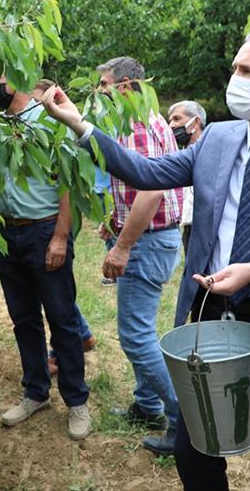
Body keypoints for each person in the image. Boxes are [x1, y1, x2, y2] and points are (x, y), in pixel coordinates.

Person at [41, 28, 250, 489]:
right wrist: (80, 125)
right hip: (207, 316)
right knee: (195, 454)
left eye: (248, 71)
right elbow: (145, 171)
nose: (236, 79)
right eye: (236, 69)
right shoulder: (218, 139)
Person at [0, 76, 91, 441]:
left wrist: (61, 236)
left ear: (17, 80)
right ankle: (35, 392)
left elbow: (68, 181)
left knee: (62, 318)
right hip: (9, 232)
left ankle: (77, 400)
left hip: (44, 230)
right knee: (23, 318)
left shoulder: (48, 120)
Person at [91, 57, 185, 445]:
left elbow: (150, 189)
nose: (99, 92)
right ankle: (147, 405)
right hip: (151, 236)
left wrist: (124, 245)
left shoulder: (137, 124)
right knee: (141, 327)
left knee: (136, 336)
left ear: (126, 86)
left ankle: (183, 420)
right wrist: (115, 221)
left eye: (104, 85)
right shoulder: (147, 116)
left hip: (147, 242)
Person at [30, 79, 98, 376]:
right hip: (32, 229)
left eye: (38, 103)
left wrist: (60, 235)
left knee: (59, 305)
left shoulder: (61, 132)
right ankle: (80, 337)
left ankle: (71, 349)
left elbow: (69, 183)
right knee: (54, 299)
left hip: (51, 227)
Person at [167, 100, 206, 253]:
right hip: (189, 228)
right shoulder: (180, 154)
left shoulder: (213, 150)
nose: (171, 125)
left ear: (196, 122)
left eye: (177, 119)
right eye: (170, 120)